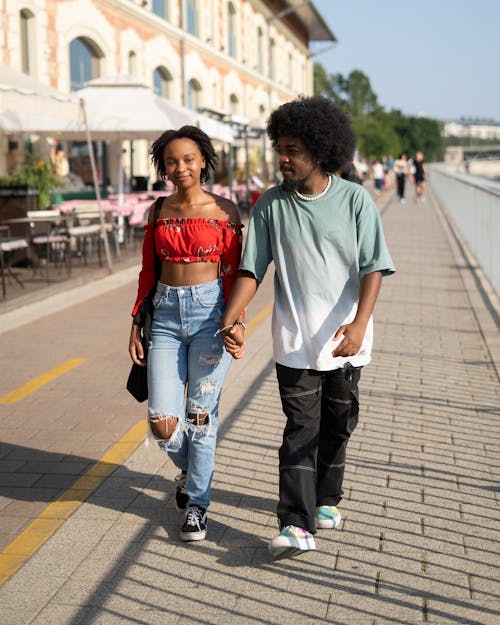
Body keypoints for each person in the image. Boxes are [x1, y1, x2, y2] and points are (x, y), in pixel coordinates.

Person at [220, 96, 396, 560]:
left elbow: (373, 267)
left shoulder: (356, 200)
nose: (283, 158)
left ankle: (327, 499)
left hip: (345, 342)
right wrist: (232, 316)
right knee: (300, 430)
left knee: (338, 427)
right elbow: (251, 269)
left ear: (320, 150)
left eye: (293, 149)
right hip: (295, 342)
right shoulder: (270, 205)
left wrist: (359, 325)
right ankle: (295, 523)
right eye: (279, 147)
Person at [129, 125, 244, 542]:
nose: (181, 168)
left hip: (211, 315)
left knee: (199, 415)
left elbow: (234, 273)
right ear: (164, 166)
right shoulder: (158, 211)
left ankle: (197, 503)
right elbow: (147, 270)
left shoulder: (226, 211)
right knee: (162, 421)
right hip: (163, 316)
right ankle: (189, 469)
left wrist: (237, 321)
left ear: (204, 162)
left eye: (189, 160)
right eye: (172, 161)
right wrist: (136, 323)